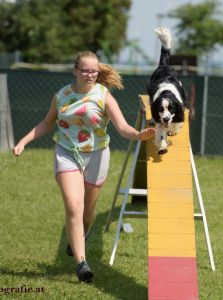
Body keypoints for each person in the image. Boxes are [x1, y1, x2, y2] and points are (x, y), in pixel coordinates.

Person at [12, 50, 156, 283]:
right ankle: (82, 263)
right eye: (86, 70)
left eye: (94, 71)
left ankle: (80, 236)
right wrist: (23, 141)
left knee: (88, 213)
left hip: (97, 156)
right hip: (67, 153)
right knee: (73, 205)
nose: (90, 75)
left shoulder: (104, 95)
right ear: (75, 71)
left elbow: (121, 127)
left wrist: (139, 135)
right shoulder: (62, 95)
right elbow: (47, 123)